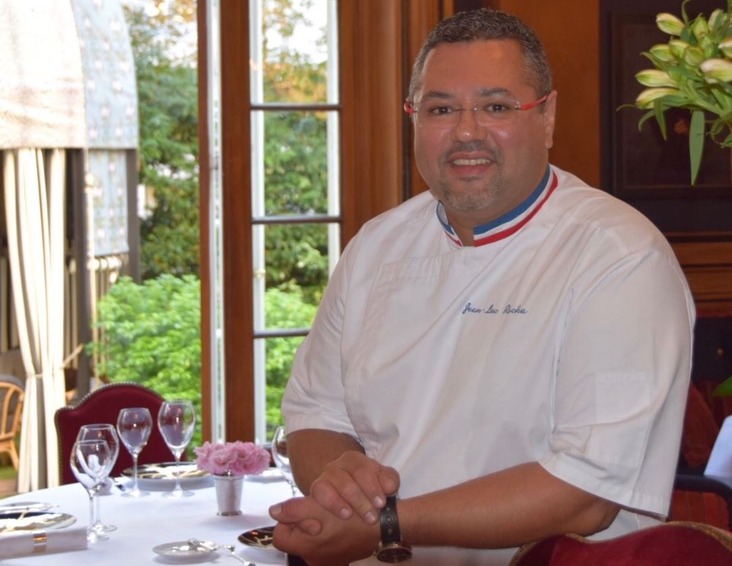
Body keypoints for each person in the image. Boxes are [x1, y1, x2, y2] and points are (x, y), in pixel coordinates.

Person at [268, 8, 695, 566]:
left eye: (496, 107)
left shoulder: (619, 255)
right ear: (414, 118)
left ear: (547, 117)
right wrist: (343, 483)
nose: (466, 132)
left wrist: (390, 524)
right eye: (441, 109)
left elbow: (586, 492)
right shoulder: (376, 247)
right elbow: (315, 416)